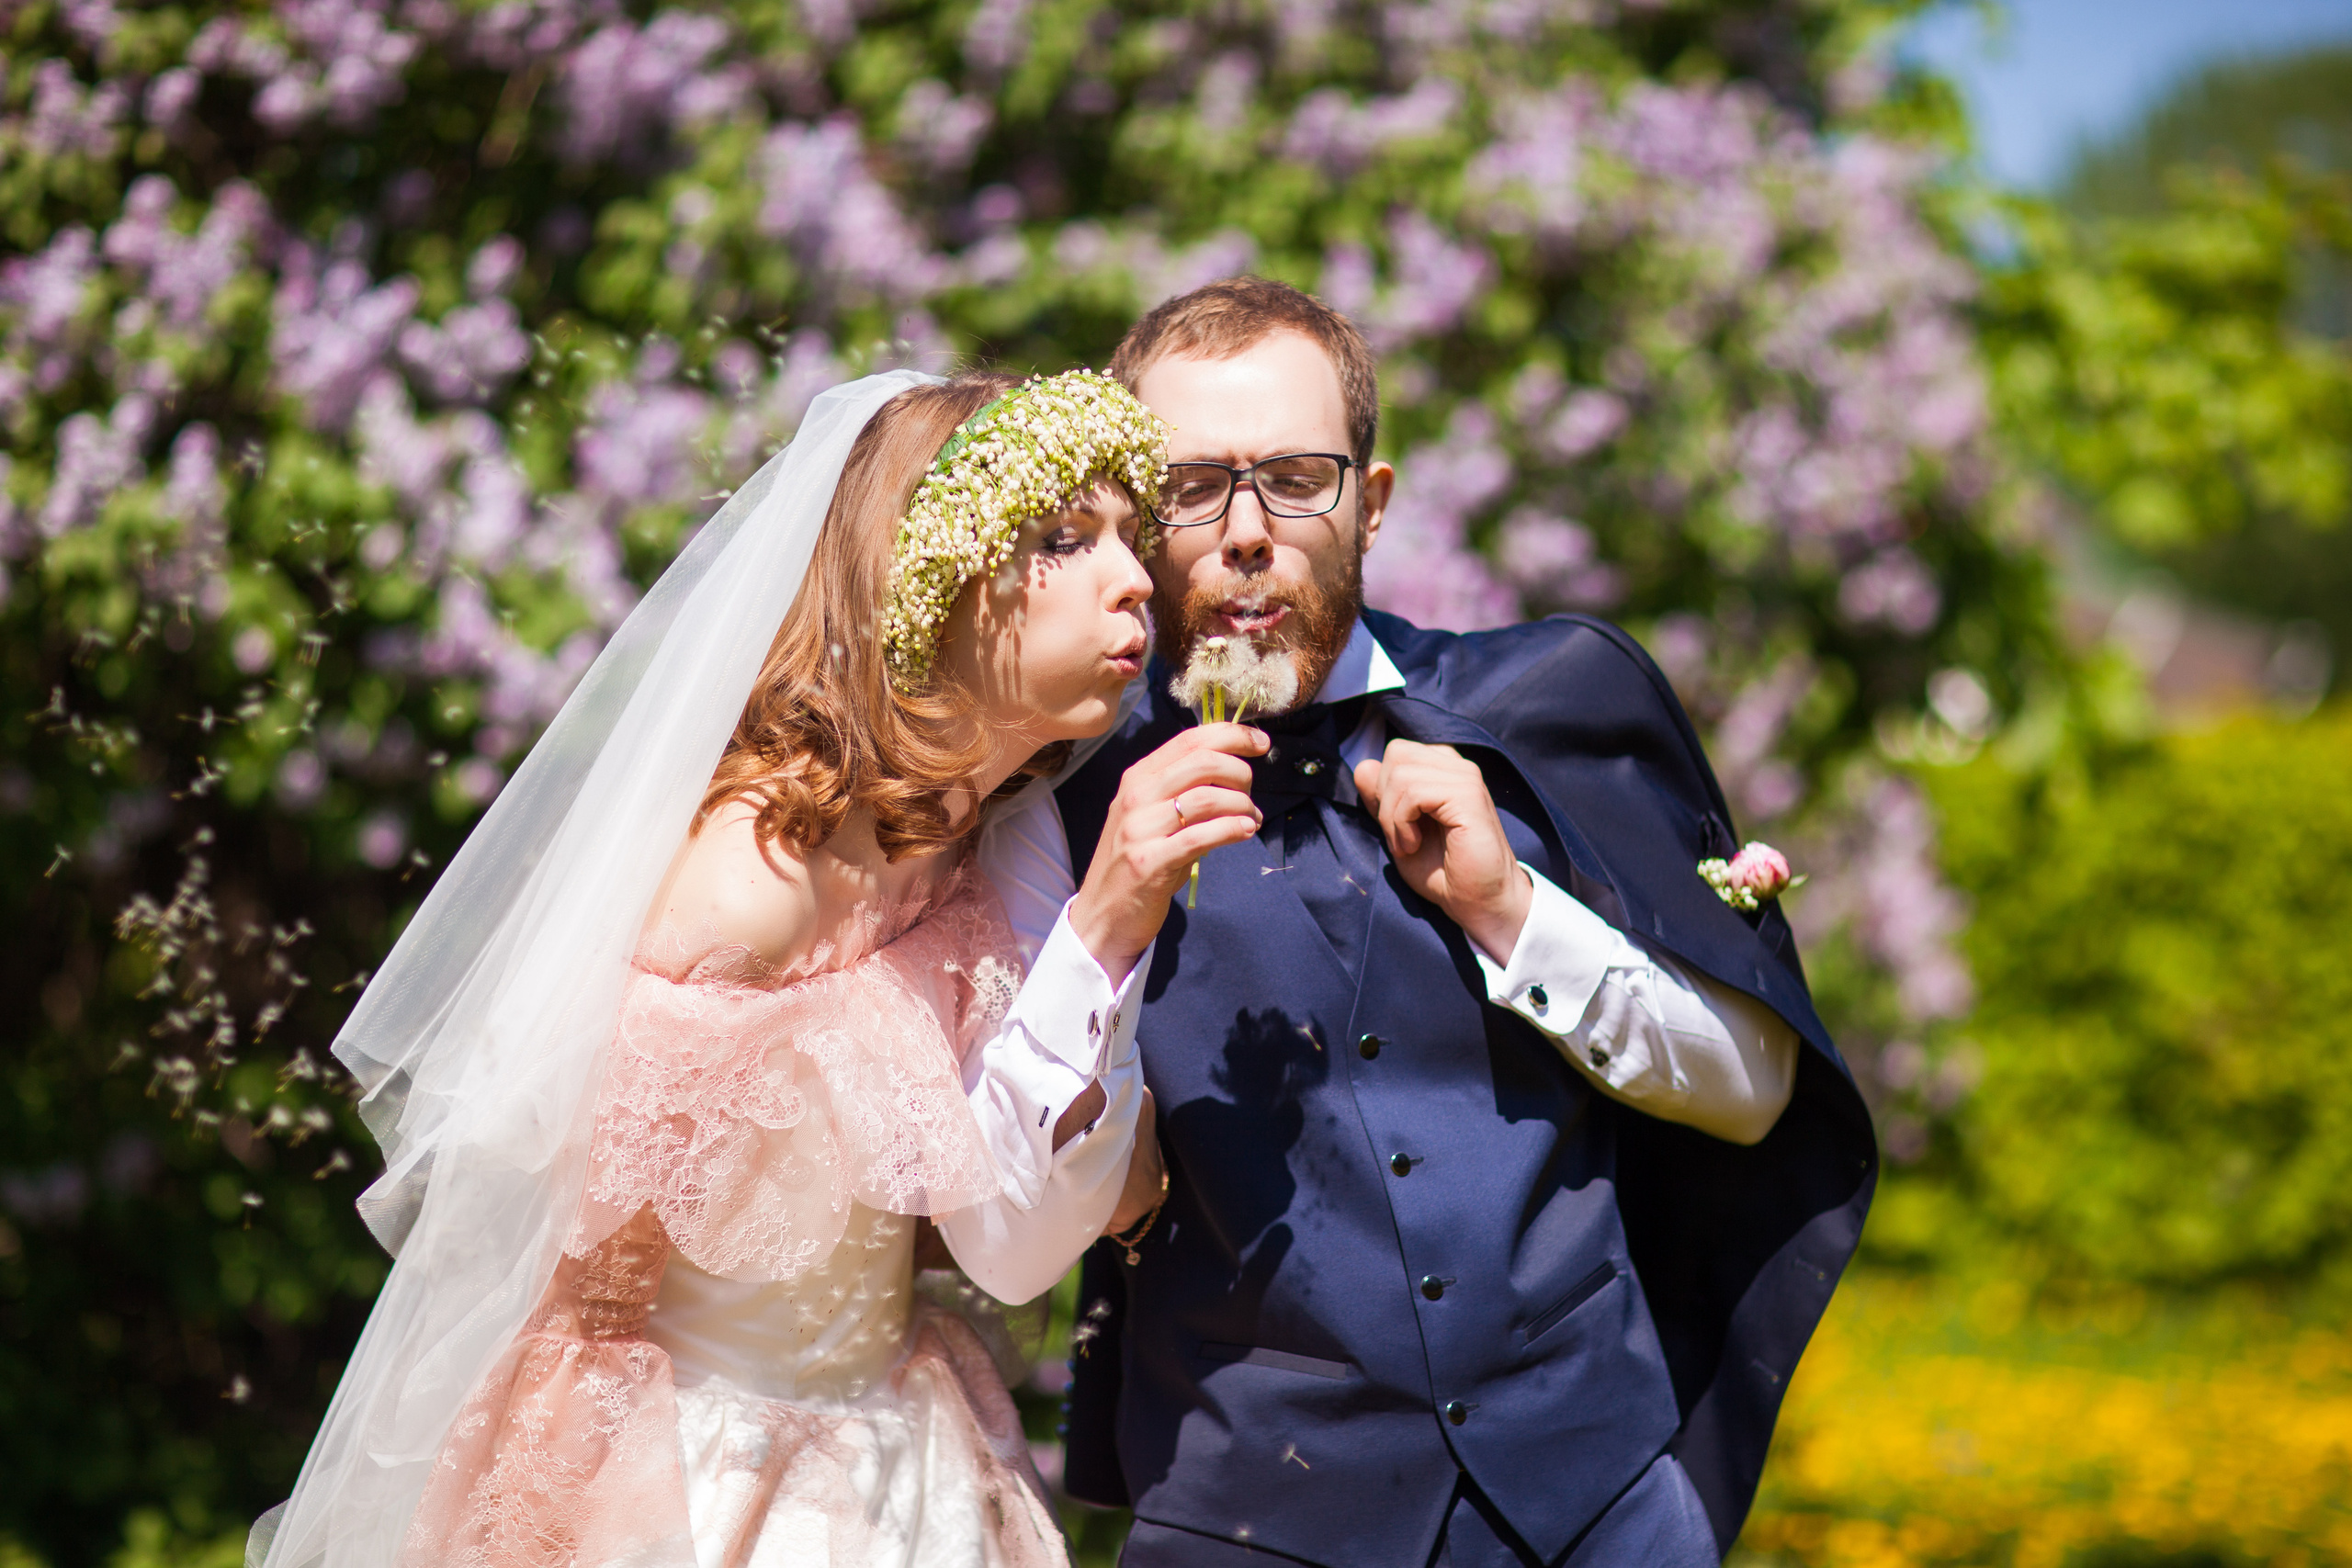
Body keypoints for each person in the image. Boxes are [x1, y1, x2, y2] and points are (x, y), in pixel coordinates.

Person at [249, 367, 1267, 1568]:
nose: (1135, 577)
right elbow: (587, 1272)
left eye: (1129, 540)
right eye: (1062, 539)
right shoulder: (751, 884)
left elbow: (1005, 1226)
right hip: (703, 1478)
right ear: (928, 578)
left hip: (899, 1449)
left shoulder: (991, 841)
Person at [979, 279, 1878, 1567]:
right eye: (1192, 488)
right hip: (1242, 1525)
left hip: (1606, 1514)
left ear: (1374, 502)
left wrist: (1512, 910)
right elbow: (1015, 1240)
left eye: (1296, 479)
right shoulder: (1053, 807)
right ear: (1134, 520)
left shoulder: (1550, 707)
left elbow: (1753, 1095)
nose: (1248, 532)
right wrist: (1108, 922)